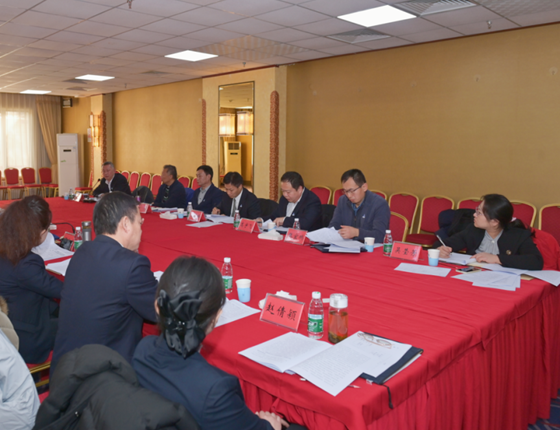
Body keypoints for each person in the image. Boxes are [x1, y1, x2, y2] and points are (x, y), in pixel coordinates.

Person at [133, 256, 293, 430]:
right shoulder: (215, 390)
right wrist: (270, 426)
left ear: (158, 307)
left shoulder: (143, 349)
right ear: (216, 318)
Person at [52, 192, 157, 371]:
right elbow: (160, 310)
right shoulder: (131, 265)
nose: (141, 230)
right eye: (140, 223)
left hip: (65, 370)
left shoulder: (82, 251)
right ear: (126, 224)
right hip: (103, 377)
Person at [0, 196, 63, 364]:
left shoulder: (3, 252)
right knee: (83, 323)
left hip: (5, 323)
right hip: (23, 337)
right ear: (40, 232)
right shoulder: (26, 264)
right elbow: (63, 290)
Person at [434, 194, 543, 270]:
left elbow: (536, 261)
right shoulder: (473, 230)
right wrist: (440, 249)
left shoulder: (518, 235)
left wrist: (497, 258)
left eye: (479, 213)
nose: (474, 215)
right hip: (474, 276)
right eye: (476, 210)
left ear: (494, 221)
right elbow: (442, 243)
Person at [328, 169, 390, 242]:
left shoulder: (379, 204)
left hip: (368, 247)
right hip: (346, 245)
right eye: (345, 191)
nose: (349, 195)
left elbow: (380, 236)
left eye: (352, 191)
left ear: (364, 187)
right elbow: (334, 225)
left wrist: (357, 232)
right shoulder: (343, 200)